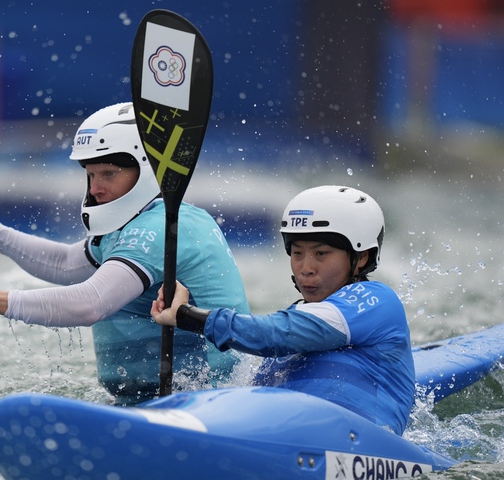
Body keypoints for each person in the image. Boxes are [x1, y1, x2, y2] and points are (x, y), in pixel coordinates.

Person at [0, 102, 250, 405]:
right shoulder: (134, 222)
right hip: (157, 399)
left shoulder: (158, 228)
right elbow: (66, 264)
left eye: (108, 173)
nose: (95, 187)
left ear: (148, 170)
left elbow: (89, 303)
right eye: (91, 174)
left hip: (211, 401)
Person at [151, 185, 415, 435]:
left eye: (321, 254)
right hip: (289, 437)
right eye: (297, 253)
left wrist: (186, 315)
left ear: (362, 258)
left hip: (362, 445)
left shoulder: (376, 300)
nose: (306, 267)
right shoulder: (297, 314)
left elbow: (272, 335)